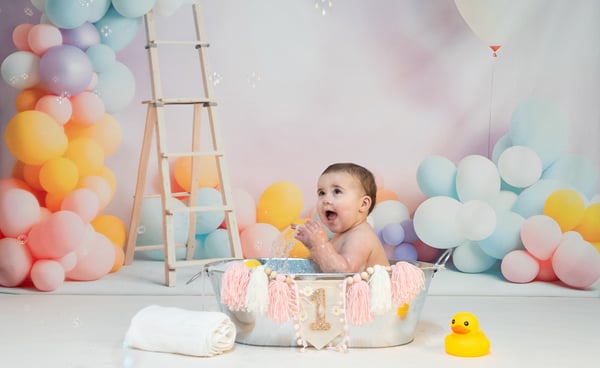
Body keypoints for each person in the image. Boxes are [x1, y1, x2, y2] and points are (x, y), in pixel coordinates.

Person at [294, 162, 389, 273]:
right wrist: (313, 246)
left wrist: (320, 245)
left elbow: (344, 273)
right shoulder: (341, 235)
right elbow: (326, 267)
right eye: (322, 193)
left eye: (337, 191)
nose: (325, 200)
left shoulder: (361, 236)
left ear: (363, 204)